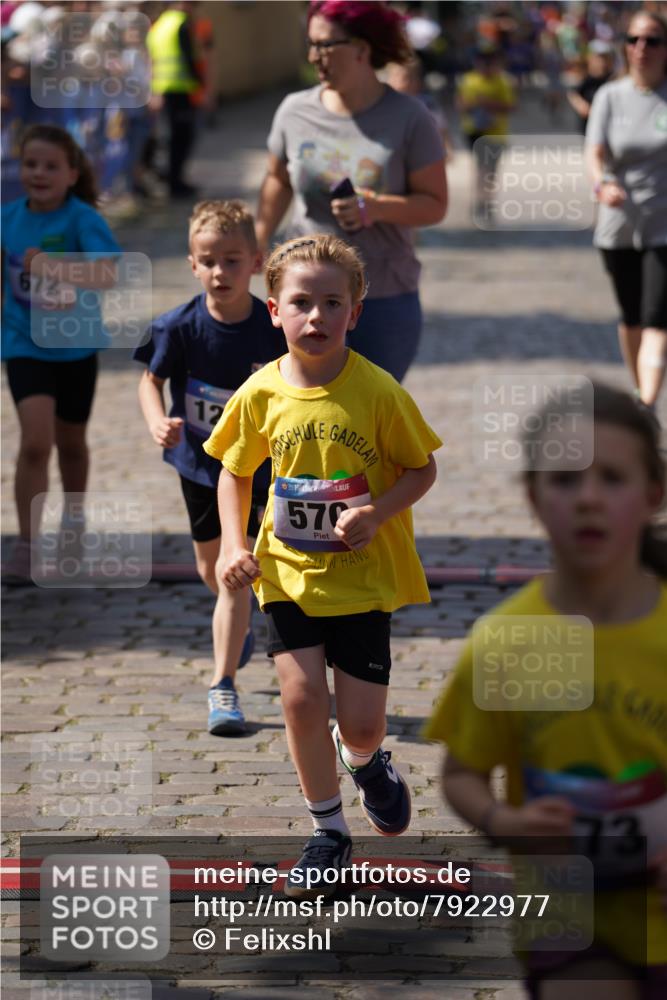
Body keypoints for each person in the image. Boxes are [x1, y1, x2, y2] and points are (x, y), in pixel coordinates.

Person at [204, 234, 441, 895]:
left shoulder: (378, 392)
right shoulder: (259, 392)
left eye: (332, 303)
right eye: (301, 303)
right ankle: (328, 831)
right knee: (301, 698)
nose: (316, 316)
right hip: (286, 574)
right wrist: (234, 545)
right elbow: (233, 471)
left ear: (354, 313)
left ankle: (365, 762)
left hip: (362, 581)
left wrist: (377, 512)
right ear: (273, 310)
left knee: (361, 724)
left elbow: (421, 469)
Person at [424, 383, 667, 998]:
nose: (588, 498)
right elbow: (462, 773)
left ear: (653, 494)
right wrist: (504, 821)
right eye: (565, 480)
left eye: (612, 478)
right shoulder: (510, 639)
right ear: (533, 497)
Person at [134, 200, 285, 736]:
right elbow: (150, 381)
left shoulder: (274, 327)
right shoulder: (177, 326)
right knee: (209, 569)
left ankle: (223, 686)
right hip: (198, 466)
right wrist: (157, 421)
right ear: (193, 264)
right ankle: (236, 627)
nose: (221, 271)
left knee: (232, 571)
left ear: (256, 262)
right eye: (209, 261)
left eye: (232, 260)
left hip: (256, 470)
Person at [255, 0, 447, 385]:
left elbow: (435, 204)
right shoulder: (294, 111)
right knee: (303, 407)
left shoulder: (410, 117)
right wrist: (258, 240)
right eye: (311, 45)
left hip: (382, 299)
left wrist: (375, 207)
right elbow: (278, 179)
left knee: (368, 415)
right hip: (304, 296)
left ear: (361, 49)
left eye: (325, 45)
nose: (314, 56)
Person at [1, 124, 120, 582]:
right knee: (35, 443)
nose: (39, 173)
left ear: (72, 174)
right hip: (24, 343)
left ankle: (73, 525)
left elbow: (107, 275)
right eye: (31, 164)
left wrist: (53, 267)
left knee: (71, 444)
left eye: (51, 166)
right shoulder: (7, 219)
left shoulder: (82, 219)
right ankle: (27, 545)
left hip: (75, 346)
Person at [585, 10, 667, 413]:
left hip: (663, 225)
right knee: (632, 316)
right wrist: (603, 184)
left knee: (657, 317)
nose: (642, 48)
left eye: (653, 40)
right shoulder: (610, 96)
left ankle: (648, 403)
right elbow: (594, 151)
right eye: (634, 39)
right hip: (618, 225)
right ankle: (640, 395)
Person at [146, 1, 201, 198]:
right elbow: (189, 57)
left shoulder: (159, 25)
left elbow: (151, 59)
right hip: (180, 89)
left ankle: (171, 180)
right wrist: (200, 83)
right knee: (182, 138)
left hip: (162, 89)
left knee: (169, 138)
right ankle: (176, 183)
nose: (193, 7)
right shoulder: (181, 23)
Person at [457, 46, 516, 220]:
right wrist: (473, 104)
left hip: (496, 133)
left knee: (489, 169)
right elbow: (460, 104)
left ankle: (486, 201)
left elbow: (511, 106)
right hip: (474, 131)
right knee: (480, 168)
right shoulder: (469, 80)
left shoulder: (502, 81)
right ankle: (479, 201)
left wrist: (487, 103)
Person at [567, 41, 615, 135]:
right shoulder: (585, 79)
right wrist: (581, 105)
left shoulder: (613, 79)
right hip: (589, 129)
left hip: (608, 129)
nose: (601, 61)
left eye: (604, 57)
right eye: (599, 57)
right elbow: (573, 93)